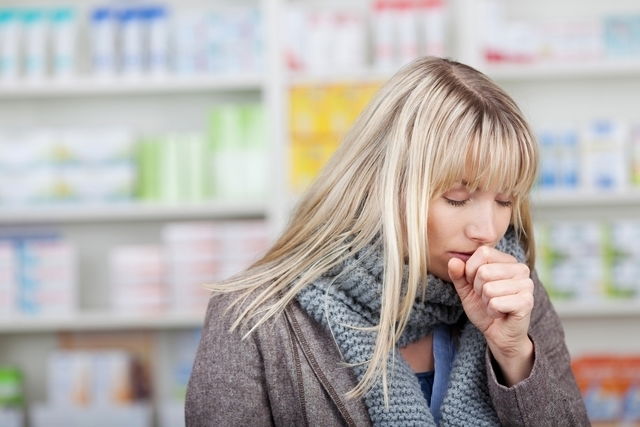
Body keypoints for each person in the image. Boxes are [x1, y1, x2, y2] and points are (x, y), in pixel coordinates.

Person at [185, 56, 589, 426]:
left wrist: (515, 355)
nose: (487, 230)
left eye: (505, 200)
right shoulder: (254, 320)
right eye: (457, 198)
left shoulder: (514, 295)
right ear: (382, 185)